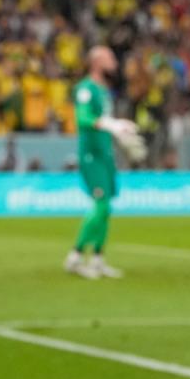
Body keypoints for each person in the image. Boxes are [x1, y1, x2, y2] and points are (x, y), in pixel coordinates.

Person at [63, 46, 141, 280]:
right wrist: (112, 125)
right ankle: (75, 257)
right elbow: (83, 118)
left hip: (105, 155)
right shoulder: (85, 89)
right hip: (91, 155)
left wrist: (120, 135)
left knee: (106, 208)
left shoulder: (104, 91)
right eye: (110, 58)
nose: (115, 63)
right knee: (101, 205)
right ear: (97, 62)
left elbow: (103, 123)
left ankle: (97, 260)